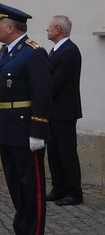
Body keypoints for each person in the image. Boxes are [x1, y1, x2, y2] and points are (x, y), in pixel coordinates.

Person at [0, 3, 52, 235]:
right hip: (7, 126)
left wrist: (38, 130)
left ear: (11, 27)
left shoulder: (33, 53)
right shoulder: (5, 52)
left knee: (32, 188)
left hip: (26, 127)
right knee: (16, 186)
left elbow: (42, 94)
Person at [45, 15, 83, 206]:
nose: (47, 30)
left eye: (50, 27)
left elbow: (56, 81)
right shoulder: (56, 50)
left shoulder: (69, 51)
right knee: (53, 151)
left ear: (58, 30)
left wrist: (40, 90)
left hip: (64, 111)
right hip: (53, 110)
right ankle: (58, 188)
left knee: (66, 152)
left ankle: (74, 192)